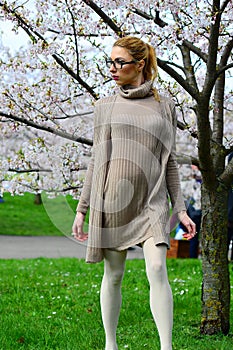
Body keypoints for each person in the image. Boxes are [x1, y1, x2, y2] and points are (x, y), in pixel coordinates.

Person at [72, 36, 196, 350]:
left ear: (140, 64)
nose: (113, 69)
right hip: (112, 201)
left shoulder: (164, 105)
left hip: (152, 201)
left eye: (120, 62)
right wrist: (81, 210)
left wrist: (180, 209)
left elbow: (169, 162)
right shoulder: (105, 106)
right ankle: (110, 344)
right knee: (113, 275)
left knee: (156, 267)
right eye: (110, 62)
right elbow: (97, 160)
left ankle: (166, 346)